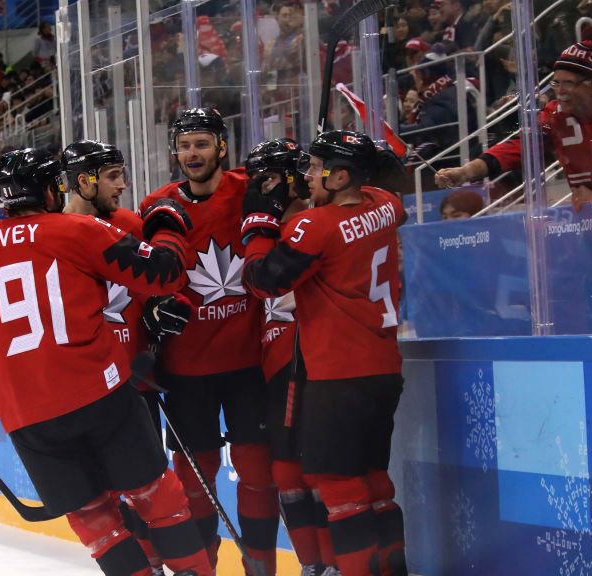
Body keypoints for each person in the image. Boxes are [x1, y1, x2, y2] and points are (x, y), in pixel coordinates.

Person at [0, 147, 213, 576]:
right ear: (51, 188)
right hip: (99, 394)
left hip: (26, 415)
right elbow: (163, 274)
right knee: (157, 499)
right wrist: (166, 227)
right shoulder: (78, 230)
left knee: (97, 523)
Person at [241, 130, 407, 576]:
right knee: (375, 479)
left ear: (343, 175)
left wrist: (258, 220)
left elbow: (261, 281)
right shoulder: (385, 207)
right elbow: (382, 191)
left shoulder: (312, 226)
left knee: (336, 483)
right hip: (383, 369)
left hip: (338, 374)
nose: (308, 174)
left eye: (317, 168)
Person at [139, 109, 279, 574]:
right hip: (185, 371)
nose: (192, 154)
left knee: (258, 473)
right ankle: (204, 568)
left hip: (248, 366)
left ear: (222, 146)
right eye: (184, 146)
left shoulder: (251, 188)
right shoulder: (157, 206)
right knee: (194, 480)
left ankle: (261, 565)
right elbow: (145, 275)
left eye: (202, 144)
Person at [62, 139, 185, 573]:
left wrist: (156, 311)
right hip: (83, 389)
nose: (123, 185)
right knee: (105, 495)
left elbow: (163, 285)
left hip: (133, 381)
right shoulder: (52, 234)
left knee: (147, 488)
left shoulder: (130, 224)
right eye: (113, 176)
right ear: (84, 181)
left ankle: (158, 564)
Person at [244, 138, 340, 576]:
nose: (258, 188)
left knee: (313, 469)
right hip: (272, 360)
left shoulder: (306, 222)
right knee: (285, 473)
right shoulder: (272, 223)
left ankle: (331, 563)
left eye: (267, 178)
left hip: (303, 357)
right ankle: (312, 565)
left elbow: (271, 282)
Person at [434, 27, 592, 212]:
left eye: (567, 83)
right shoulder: (553, 116)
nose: (559, 91)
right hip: (591, 223)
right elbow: (520, 147)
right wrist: (466, 172)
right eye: (556, 83)